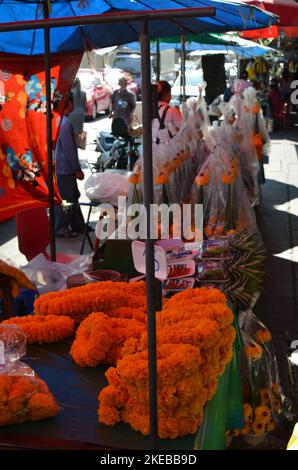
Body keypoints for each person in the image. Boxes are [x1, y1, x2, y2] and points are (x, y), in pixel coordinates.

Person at [54, 92, 86, 238]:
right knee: (67, 200)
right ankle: (61, 228)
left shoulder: (60, 121)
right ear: (70, 103)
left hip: (61, 167)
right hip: (65, 168)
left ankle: (78, 225)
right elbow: (70, 150)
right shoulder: (65, 124)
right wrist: (77, 169)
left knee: (73, 197)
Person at [152, 80, 182, 144]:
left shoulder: (149, 110)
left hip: (152, 149)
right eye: (170, 93)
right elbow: (183, 130)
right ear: (166, 94)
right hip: (168, 149)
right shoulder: (172, 110)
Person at [68, 77, 87, 145]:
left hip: (71, 114)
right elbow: (84, 106)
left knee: (70, 134)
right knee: (77, 135)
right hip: (81, 115)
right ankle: (76, 148)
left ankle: (72, 149)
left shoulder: (70, 93)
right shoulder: (83, 93)